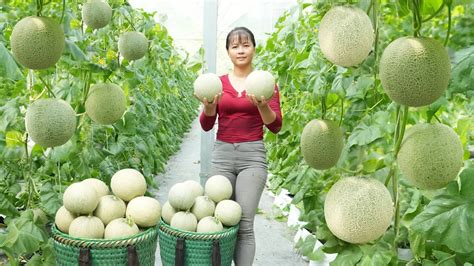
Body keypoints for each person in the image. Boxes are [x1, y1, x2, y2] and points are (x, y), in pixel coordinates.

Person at [196, 27, 282, 266]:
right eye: (235, 46)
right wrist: (209, 107)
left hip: (252, 157)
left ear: (254, 48)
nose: (241, 50)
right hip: (222, 155)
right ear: (228, 51)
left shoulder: (265, 83)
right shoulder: (218, 83)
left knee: (244, 223)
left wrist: (262, 106)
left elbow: (276, 126)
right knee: (219, 221)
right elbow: (206, 125)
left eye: (246, 45)